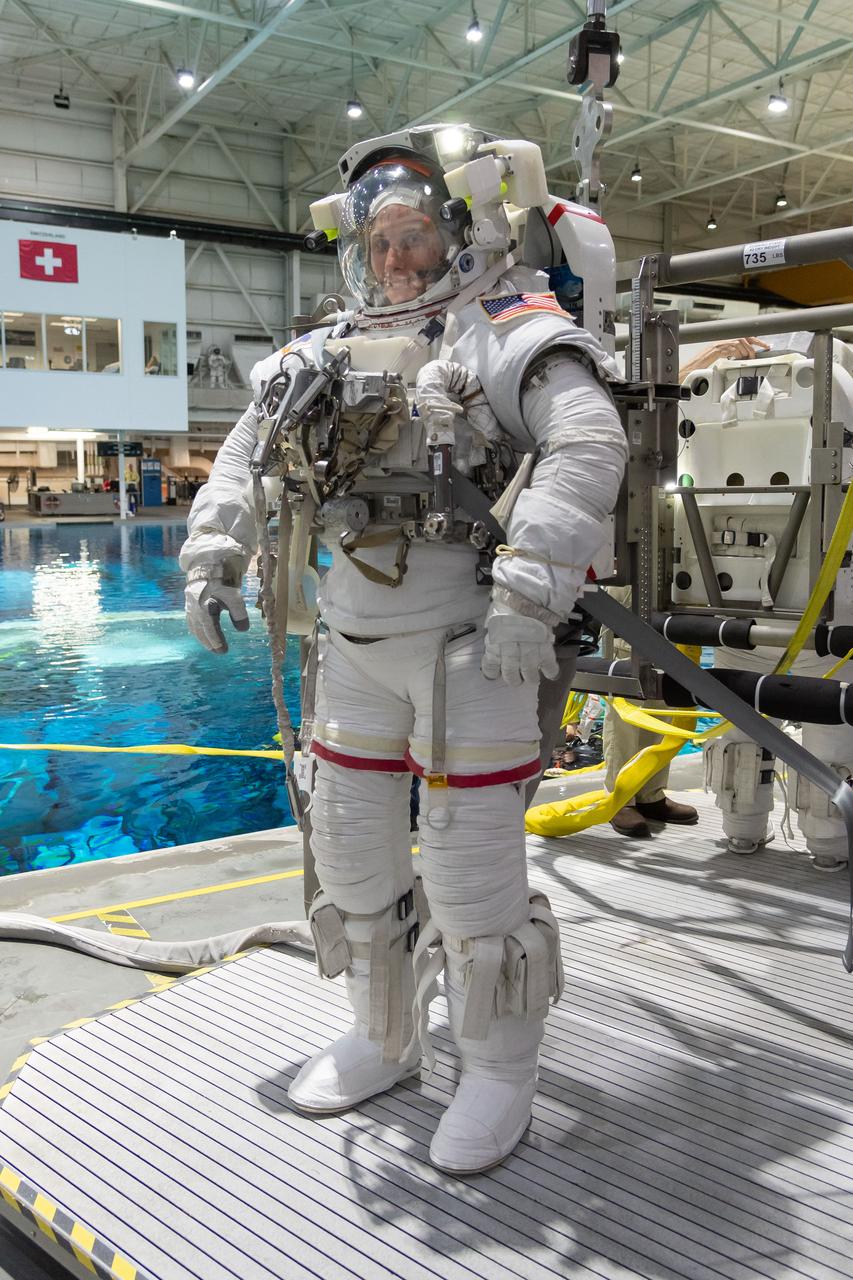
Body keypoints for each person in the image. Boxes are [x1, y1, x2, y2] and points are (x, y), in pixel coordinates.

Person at [179, 124, 627, 1174]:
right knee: (350, 854)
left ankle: (497, 1064)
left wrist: (529, 589)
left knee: (473, 876)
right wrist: (212, 553)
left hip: (469, 645)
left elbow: (588, 439)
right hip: (353, 644)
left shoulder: (505, 327)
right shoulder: (321, 353)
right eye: (379, 240)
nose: (396, 257)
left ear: (456, 233)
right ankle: (384, 1037)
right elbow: (244, 451)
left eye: (415, 233)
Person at [603, 337, 770, 838]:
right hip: (635, 562)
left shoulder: (694, 428)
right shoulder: (628, 402)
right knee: (634, 687)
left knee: (673, 685)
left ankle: (651, 793)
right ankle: (619, 797)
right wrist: (716, 356)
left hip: (679, 560)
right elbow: (660, 395)